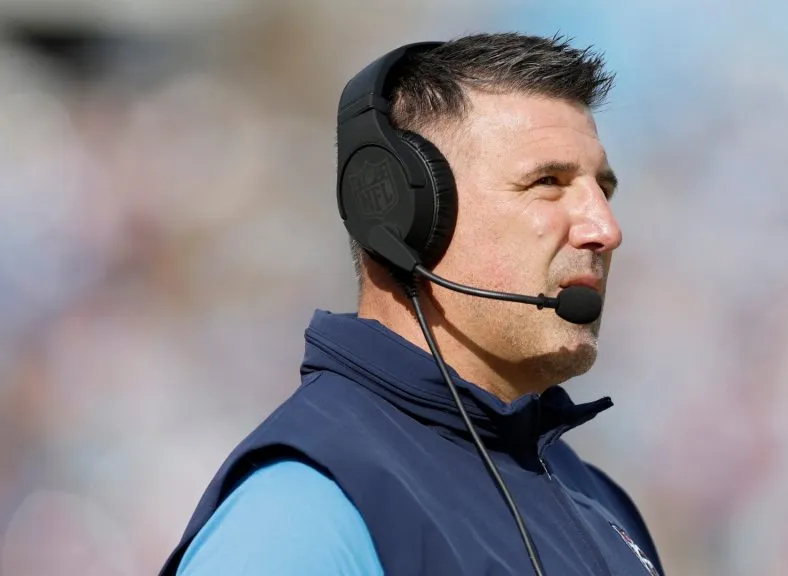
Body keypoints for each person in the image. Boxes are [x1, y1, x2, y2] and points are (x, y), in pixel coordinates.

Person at [160, 32, 664, 576]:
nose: (605, 230)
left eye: (603, 191)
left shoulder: (599, 502)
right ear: (400, 216)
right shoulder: (302, 510)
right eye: (548, 182)